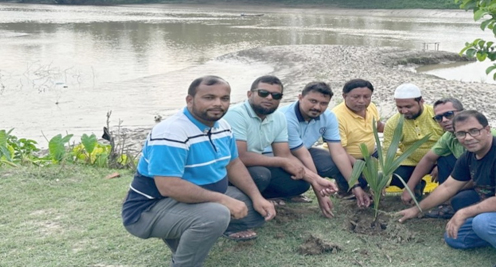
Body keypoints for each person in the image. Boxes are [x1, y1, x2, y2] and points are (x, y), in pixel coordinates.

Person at [122, 76, 276, 267]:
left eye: (224, 98)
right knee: (217, 215)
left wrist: (257, 196)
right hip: (149, 209)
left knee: (254, 212)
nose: (218, 104)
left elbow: (233, 164)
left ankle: (184, 234)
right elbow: (169, 187)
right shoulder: (171, 132)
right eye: (209, 97)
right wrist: (223, 200)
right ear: (190, 100)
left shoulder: (223, 127)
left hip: (188, 199)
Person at [398, 110, 496, 267]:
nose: (468, 138)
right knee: (455, 237)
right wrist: (417, 209)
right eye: (461, 133)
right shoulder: (468, 156)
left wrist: (464, 213)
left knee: (484, 223)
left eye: (474, 131)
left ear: (487, 130)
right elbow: (447, 187)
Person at [223, 75, 338, 218]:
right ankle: (240, 204)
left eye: (276, 95)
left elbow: (285, 154)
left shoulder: (278, 117)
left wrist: (316, 180)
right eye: (263, 93)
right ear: (249, 94)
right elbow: (240, 156)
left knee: (300, 184)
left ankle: (265, 196)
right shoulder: (236, 115)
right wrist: (282, 162)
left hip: (255, 162)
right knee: (260, 175)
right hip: (227, 167)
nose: (270, 98)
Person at [401, 98, 496, 218]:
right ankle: (446, 202)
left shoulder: (483, 137)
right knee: (443, 159)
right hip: (474, 178)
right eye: (439, 118)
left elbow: (481, 175)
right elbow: (428, 159)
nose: (444, 120)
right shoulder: (449, 136)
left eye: (449, 114)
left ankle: (450, 204)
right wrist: (409, 188)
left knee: (460, 201)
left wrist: (451, 193)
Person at [281, 82, 372, 209]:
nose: (317, 107)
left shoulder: (328, 117)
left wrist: (355, 186)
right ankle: (280, 192)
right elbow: (303, 155)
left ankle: (345, 189)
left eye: (323, 103)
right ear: (300, 97)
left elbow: (338, 152)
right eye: (313, 101)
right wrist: (320, 192)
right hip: (275, 155)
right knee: (300, 184)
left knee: (332, 162)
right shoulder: (286, 117)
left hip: (302, 150)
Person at [382, 83, 443, 189]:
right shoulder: (393, 123)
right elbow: (387, 150)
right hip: (412, 161)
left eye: (408, 106)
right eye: (399, 107)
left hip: (440, 159)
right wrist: (382, 178)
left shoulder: (438, 115)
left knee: (451, 171)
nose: (404, 111)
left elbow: (454, 142)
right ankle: (417, 185)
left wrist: (441, 164)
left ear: (421, 102)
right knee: (395, 176)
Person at [331, 78, 384, 164]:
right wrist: (360, 168)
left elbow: (379, 126)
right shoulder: (336, 118)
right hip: (348, 160)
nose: (361, 101)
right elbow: (340, 152)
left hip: (371, 154)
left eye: (366, 97)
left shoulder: (371, 107)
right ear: (344, 96)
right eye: (356, 97)